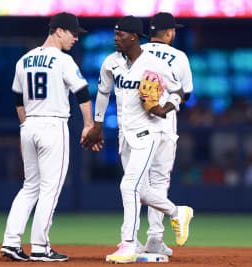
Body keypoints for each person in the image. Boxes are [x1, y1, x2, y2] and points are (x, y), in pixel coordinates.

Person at [83, 15, 193, 264]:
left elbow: (181, 92)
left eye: (119, 34)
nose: (114, 38)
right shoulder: (110, 63)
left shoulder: (154, 63)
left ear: (133, 36)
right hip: (125, 133)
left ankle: (128, 244)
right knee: (141, 190)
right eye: (114, 33)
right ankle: (178, 212)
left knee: (128, 186)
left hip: (149, 131)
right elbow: (102, 94)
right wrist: (97, 126)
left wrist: (167, 107)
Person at [0, 12, 93, 262]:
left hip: (29, 125)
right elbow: (82, 95)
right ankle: (40, 247)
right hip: (53, 126)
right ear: (59, 31)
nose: (76, 38)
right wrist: (88, 126)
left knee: (30, 187)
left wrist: (26, 126)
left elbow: (18, 99)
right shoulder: (63, 61)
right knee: (49, 189)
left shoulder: (24, 60)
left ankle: (11, 241)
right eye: (73, 33)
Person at [138, 12, 194, 257]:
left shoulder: (136, 52)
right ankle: (155, 237)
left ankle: (133, 238)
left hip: (137, 125)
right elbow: (186, 93)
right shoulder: (178, 56)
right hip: (165, 125)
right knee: (158, 182)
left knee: (136, 182)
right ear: (169, 32)